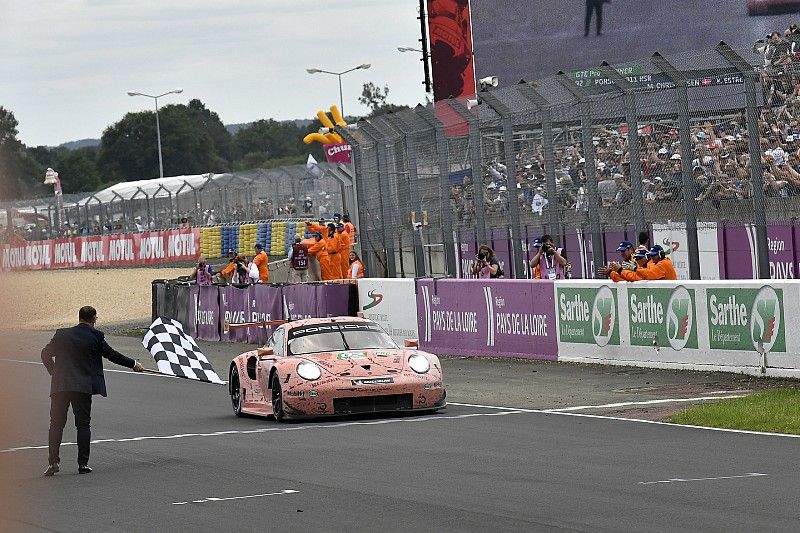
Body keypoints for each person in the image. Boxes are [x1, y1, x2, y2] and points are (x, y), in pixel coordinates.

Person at [41, 306, 145, 476]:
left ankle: (53, 462)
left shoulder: (62, 334)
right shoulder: (95, 337)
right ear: (94, 319)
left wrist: (54, 373)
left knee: (56, 424)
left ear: (79, 318)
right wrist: (133, 364)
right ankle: (82, 464)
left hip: (61, 386)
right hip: (82, 387)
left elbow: (45, 353)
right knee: (82, 424)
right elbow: (112, 355)